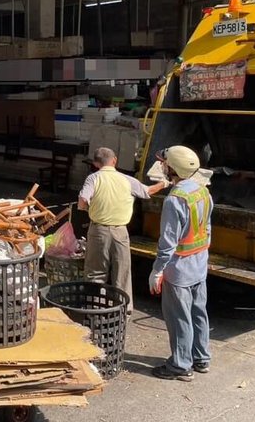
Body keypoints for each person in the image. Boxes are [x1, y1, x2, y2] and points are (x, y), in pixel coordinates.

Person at [149, 145, 213, 382]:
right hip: (199, 264)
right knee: (198, 312)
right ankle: (201, 358)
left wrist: (157, 270)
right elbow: (206, 228)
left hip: (179, 269)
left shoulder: (174, 200)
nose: (163, 167)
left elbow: (168, 242)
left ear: (172, 168)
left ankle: (180, 365)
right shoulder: (203, 191)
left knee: (178, 317)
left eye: (165, 164)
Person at [78, 147, 168, 313]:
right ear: (115, 160)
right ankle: (124, 310)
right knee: (122, 272)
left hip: (98, 231)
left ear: (96, 163)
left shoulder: (93, 178)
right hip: (121, 232)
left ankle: (94, 309)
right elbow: (149, 191)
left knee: (95, 273)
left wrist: (86, 208)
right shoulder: (127, 180)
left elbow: (83, 199)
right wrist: (164, 183)